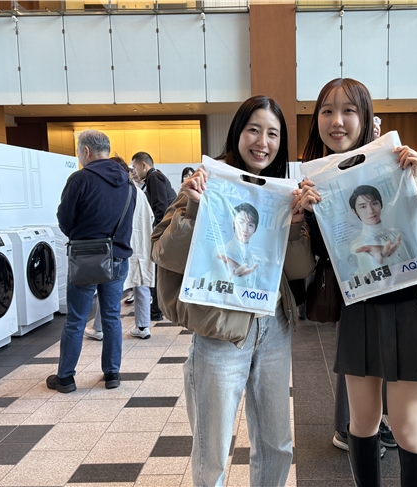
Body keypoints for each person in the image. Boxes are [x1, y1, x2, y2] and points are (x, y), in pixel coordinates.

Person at [150, 95, 314, 487]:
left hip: (273, 327)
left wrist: (293, 225)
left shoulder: (282, 194)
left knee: (277, 445)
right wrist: (194, 207)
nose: (262, 142)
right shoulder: (207, 183)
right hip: (220, 331)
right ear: (238, 132)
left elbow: (298, 270)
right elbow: (163, 253)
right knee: (213, 452)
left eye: (272, 134)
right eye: (254, 130)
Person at [300, 78, 417, 486]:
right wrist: (309, 213)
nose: (337, 121)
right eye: (327, 111)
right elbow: (327, 259)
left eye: (348, 110)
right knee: (361, 423)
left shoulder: (400, 163)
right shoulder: (319, 180)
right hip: (359, 310)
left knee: (406, 427)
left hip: (410, 312)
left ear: (365, 118)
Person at [46, 130, 136, 393]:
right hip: (118, 257)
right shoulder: (128, 182)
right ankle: (112, 374)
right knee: (112, 317)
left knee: (76, 319)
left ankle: (65, 378)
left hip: (86, 257)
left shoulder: (80, 179)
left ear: (85, 151)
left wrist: (82, 235)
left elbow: (65, 219)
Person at [85, 156, 156, 341]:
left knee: (109, 287)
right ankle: (143, 326)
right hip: (141, 245)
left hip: (119, 246)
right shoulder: (138, 191)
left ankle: (99, 328)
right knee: (141, 283)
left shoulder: (111, 191)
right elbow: (150, 218)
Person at [132, 151, 177, 322]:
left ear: (144, 165)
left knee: (158, 270)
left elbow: (161, 207)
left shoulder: (153, 177)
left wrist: (158, 233)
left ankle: (156, 310)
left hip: (166, 230)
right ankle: (158, 308)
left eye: (135, 167)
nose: (134, 171)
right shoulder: (156, 177)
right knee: (160, 269)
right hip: (170, 229)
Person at [348, 185, 410, 271]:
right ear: (355, 212)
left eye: (374, 203)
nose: (371, 211)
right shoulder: (357, 244)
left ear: (381, 204)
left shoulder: (398, 233)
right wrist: (381, 257)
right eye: (363, 207)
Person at [211, 203, 263, 289]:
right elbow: (219, 283)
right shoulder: (220, 251)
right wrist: (237, 277)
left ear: (255, 229)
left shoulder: (255, 261)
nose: (245, 229)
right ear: (233, 222)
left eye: (250, 225)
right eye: (241, 222)